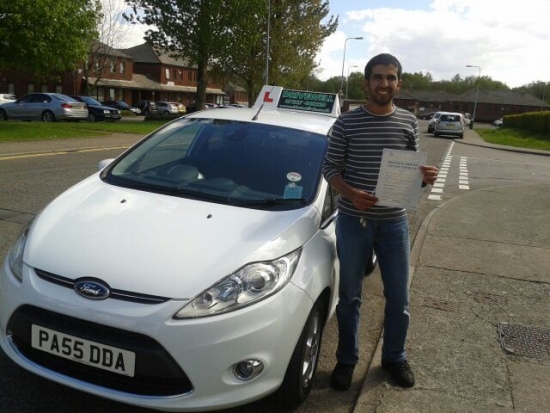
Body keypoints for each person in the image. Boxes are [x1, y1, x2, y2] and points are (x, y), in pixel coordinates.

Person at [322, 53, 438, 391]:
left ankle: (394, 357)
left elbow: (412, 176)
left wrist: (424, 177)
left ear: (399, 83)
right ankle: (346, 360)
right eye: (377, 77)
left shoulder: (407, 122)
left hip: (393, 224)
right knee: (350, 297)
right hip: (353, 221)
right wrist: (351, 192)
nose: (383, 83)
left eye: (390, 77)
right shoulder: (346, 123)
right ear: (366, 82)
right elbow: (331, 170)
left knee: (399, 297)